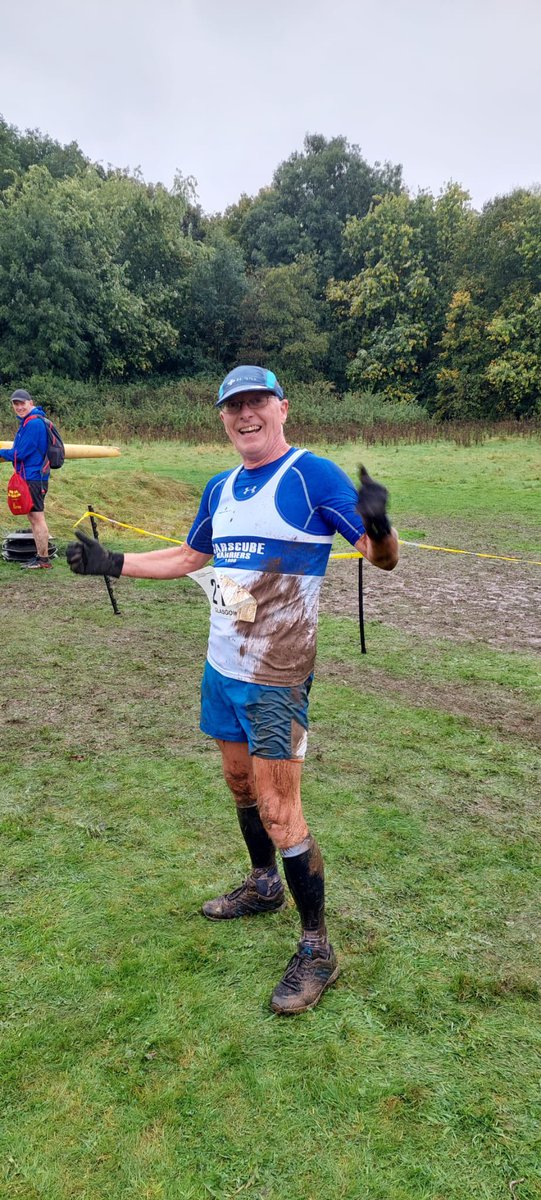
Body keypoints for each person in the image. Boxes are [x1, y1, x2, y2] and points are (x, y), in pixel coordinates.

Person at [67, 365, 399, 1014]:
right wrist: (114, 563)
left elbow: (379, 557)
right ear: (222, 417)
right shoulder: (219, 487)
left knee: (281, 811)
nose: (244, 414)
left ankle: (316, 950)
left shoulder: (311, 476)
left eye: (256, 403)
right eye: (231, 406)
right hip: (222, 667)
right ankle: (261, 885)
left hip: (276, 677)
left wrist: (379, 524)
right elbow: (191, 558)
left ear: (281, 409)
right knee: (240, 787)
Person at [0, 388, 53, 569]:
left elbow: (20, 453)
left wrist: (0, 452)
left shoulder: (33, 424)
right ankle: (41, 557)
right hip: (31, 476)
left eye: (22, 403)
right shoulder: (27, 422)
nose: (19, 407)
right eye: (16, 404)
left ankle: (43, 560)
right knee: (33, 516)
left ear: (31, 403)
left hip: (34, 477)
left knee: (37, 517)